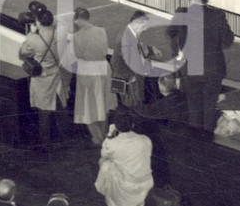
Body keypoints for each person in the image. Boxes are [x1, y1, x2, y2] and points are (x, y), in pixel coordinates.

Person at [173, 0, 234, 131]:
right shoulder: (218, 15)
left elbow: (173, 34)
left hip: (191, 69)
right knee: (210, 108)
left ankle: (195, 140)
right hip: (213, 69)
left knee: (194, 109)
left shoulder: (183, 13)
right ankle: (208, 139)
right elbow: (228, 40)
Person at [19, 9, 69, 142]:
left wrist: (32, 31)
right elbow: (62, 22)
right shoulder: (60, 33)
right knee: (60, 107)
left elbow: (23, 53)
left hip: (42, 78)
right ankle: (65, 136)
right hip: (56, 75)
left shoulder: (33, 39)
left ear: (39, 22)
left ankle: (45, 142)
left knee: (44, 112)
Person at [67, 8, 112, 145]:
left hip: (88, 71)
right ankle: (104, 135)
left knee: (87, 106)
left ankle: (98, 137)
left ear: (77, 20)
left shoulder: (77, 36)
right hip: (103, 68)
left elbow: (76, 55)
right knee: (103, 103)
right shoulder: (101, 30)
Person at [94, 112, 153, 206]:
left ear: (116, 127)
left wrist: (109, 135)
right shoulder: (146, 139)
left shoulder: (113, 143)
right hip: (146, 183)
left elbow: (103, 155)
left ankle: (115, 200)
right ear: (133, 125)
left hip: (127, 184)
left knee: (105, 163)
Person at [110, 11, 161, 110]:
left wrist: (151, 50)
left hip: (134, 82)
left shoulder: (132, 33)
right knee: (133, 109)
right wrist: (131, 77)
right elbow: (115, 62)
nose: (145, 29)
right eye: (144, 26)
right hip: (130, 85)